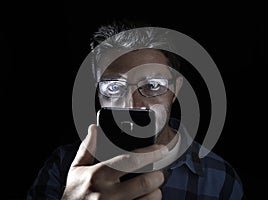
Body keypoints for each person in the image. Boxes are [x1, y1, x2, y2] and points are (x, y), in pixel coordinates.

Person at [26, 21, 245, 200]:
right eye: (113, 87)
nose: (131, 105)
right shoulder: (63, 165)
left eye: (152, 86)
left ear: (175, 90)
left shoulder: (220, 178)